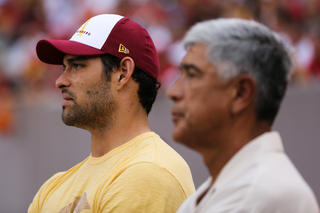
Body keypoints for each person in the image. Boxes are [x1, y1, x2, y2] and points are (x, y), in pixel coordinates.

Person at [28, 14, 195, 213]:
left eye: (77, 65)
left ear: (123, 72)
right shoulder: (53, 187)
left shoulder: (148, 173)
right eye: (65, 67)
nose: (60, 81)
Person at [167, 18, 319, 212]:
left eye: (192, 74)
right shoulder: (229, 188)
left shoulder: (257, 195)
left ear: (240, 93)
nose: (173, 92)